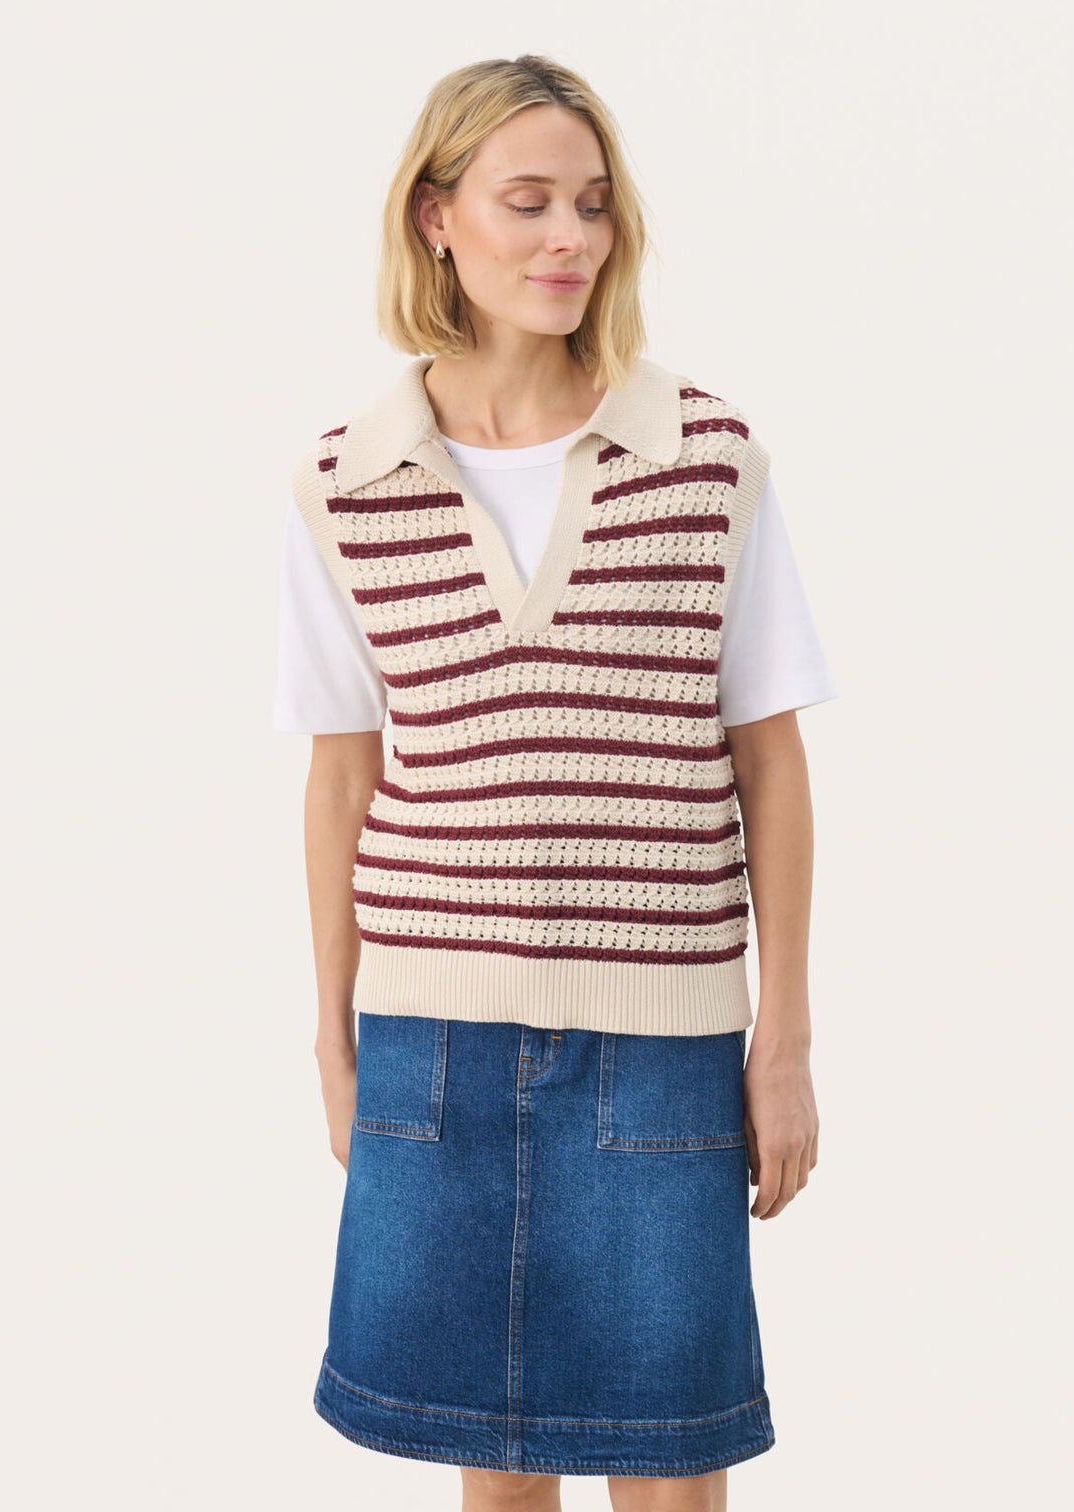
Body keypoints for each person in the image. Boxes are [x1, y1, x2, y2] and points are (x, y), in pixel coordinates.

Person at [273, 54, 836, 1512]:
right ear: (437, 217)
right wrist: (333, 1043)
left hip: (662, 1044)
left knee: (670, 1470)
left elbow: (768, 762)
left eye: (591, 205)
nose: (568, 238)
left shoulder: (704, 457)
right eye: (526, 202)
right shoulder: (347, 481)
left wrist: (781, 1040)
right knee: (500, 1471)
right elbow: (342, 779)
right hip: (433, 1044)